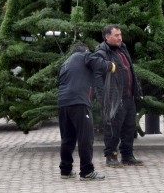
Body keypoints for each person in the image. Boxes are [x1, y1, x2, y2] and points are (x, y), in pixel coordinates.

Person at [58, 42, 115, 181]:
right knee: (86, 138)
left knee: (67, 138)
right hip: (79, 102)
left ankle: (65, 170)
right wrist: (111, 66)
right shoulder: (84, 56)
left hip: (63, 103)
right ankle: (87, 171)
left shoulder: (65, 64)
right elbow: (98, 62)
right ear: (85, 50)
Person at [92, 24, 144, 168]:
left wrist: (137, 90)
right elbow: (97, 77)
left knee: (129, 127)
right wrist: (104, 99)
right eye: (116, 35)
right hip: (114, 99)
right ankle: (111, 156)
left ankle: (127, 156)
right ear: (107, 37)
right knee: (113, 129)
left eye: (120, 34)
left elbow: (130, 70)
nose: (120, 37)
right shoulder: (101, 52)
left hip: (128, 96)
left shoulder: (123, 48)